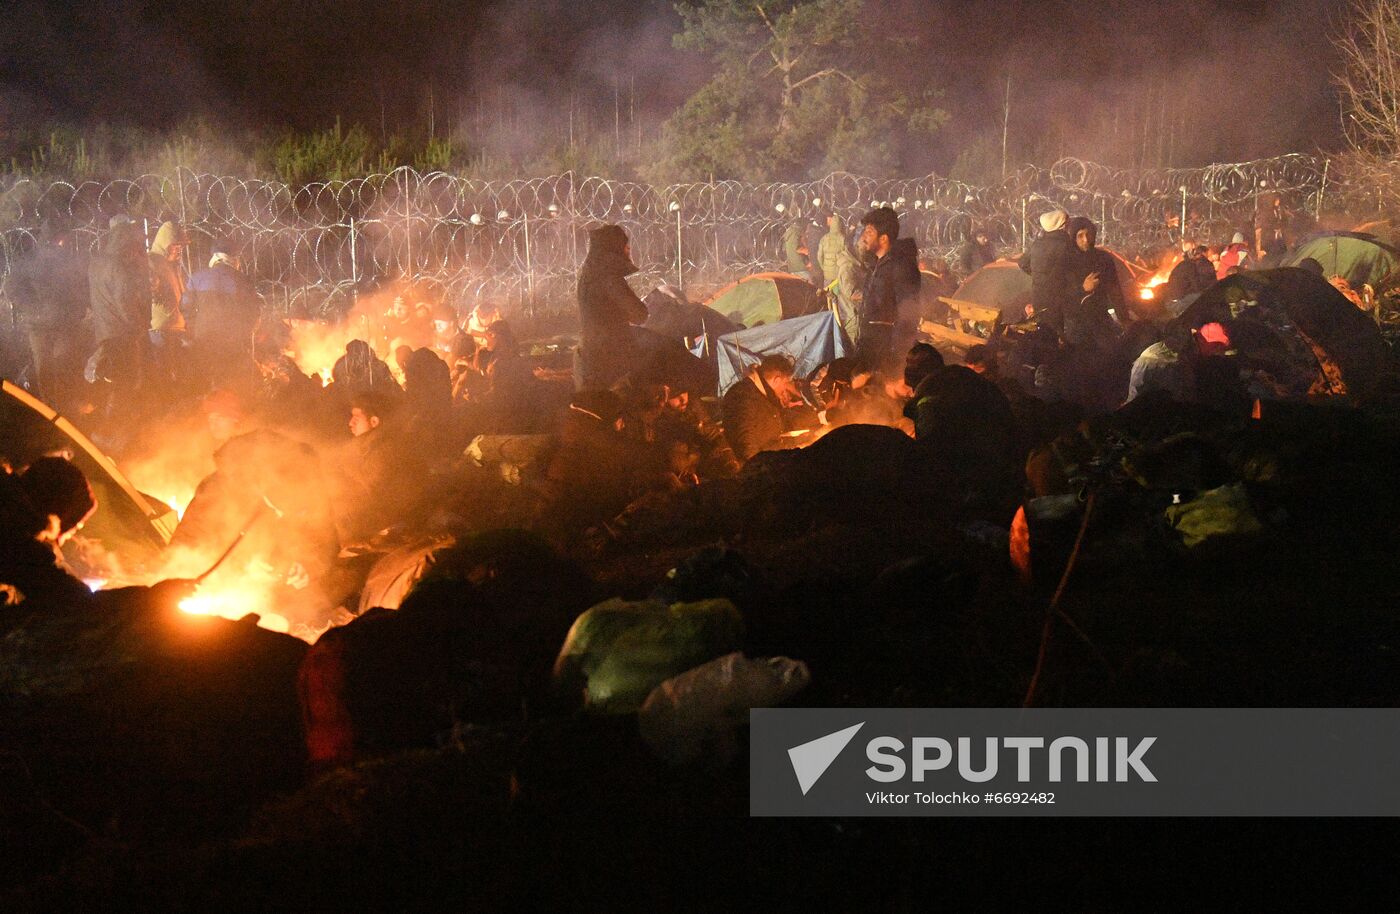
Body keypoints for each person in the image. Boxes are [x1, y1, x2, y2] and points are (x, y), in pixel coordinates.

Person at [5, 219, 89, 411]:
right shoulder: (62, 258)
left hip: (47, 323)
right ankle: (59, 405)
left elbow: (12, 287)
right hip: (58, 322)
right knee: (60, 364)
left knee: (47, 367)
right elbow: (79, 287)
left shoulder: (31, 258)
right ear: (60, 237)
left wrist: (31, 308)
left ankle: (51, 406)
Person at [88, 216, 152, 413]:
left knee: (113, 383)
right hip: (122, 335)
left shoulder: (96, 263)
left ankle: (111, 425)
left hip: (105, 333)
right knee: (125, 384)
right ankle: (115, 428)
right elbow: (125, 303)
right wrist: (139, 327)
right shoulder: (118, 267)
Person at [577, 224, 648, 389]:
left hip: (594, 355)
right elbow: (639, 314)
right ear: (612, 247)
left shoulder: (589, 275)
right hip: (613, 359)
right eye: (624, 244)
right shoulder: (608, 277)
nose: (628, 248)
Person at [183, 243, 261, 390]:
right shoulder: (242, 280)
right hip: (232, 339)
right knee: (231, 382)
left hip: (204, 336)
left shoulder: (197, 278)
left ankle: (206, 410)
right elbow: (253, 312)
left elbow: (186, 306)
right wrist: (245, 332)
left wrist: (195, 327)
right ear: (234, 259)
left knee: (206, 379)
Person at [720, 353, 819, 462]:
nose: (787, 387)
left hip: (770, 461)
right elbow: (747, 446)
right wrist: (760, 472)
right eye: (786, 382)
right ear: (776, 380)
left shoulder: (765, 395)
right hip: (757, 469)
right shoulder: (743, 396)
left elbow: (780, 429)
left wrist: (807, 433)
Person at [857, 206, 922, 370]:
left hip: (886, 350)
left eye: (869, 232)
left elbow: (908, 312)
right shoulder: (875, 264)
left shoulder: (901, 267)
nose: (863, 237)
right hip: (870, 344)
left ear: (883, 238)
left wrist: (896, 353)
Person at [1064, 216, 1124, 348]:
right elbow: (1060, 294)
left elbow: (1115, 290)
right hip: (1075, 324)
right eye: (1080, 236)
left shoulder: (1103, 259)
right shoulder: (1066, 261)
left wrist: (1123, 317)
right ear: (1073, 238)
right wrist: (1083, 288)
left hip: (1100, 320)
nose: (1085, 240)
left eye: (1088, 234)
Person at [1019, 209, 1076, 335]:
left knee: (1042, 331)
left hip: (1038, 295)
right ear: (1062, 225)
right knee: (1059, 333)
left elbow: (1022, 263)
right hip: (1059, 296)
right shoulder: (1066, 244)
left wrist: (1038, 275)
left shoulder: (1037, 244)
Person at [816, 213, 864, 345]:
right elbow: (852, 294)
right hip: (838, 275)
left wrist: (825, 268)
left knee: (833, 302)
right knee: (843, 304)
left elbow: (819, 256)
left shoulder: (824, 238)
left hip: (829, 276)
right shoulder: (844, 239)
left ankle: (835, 324)